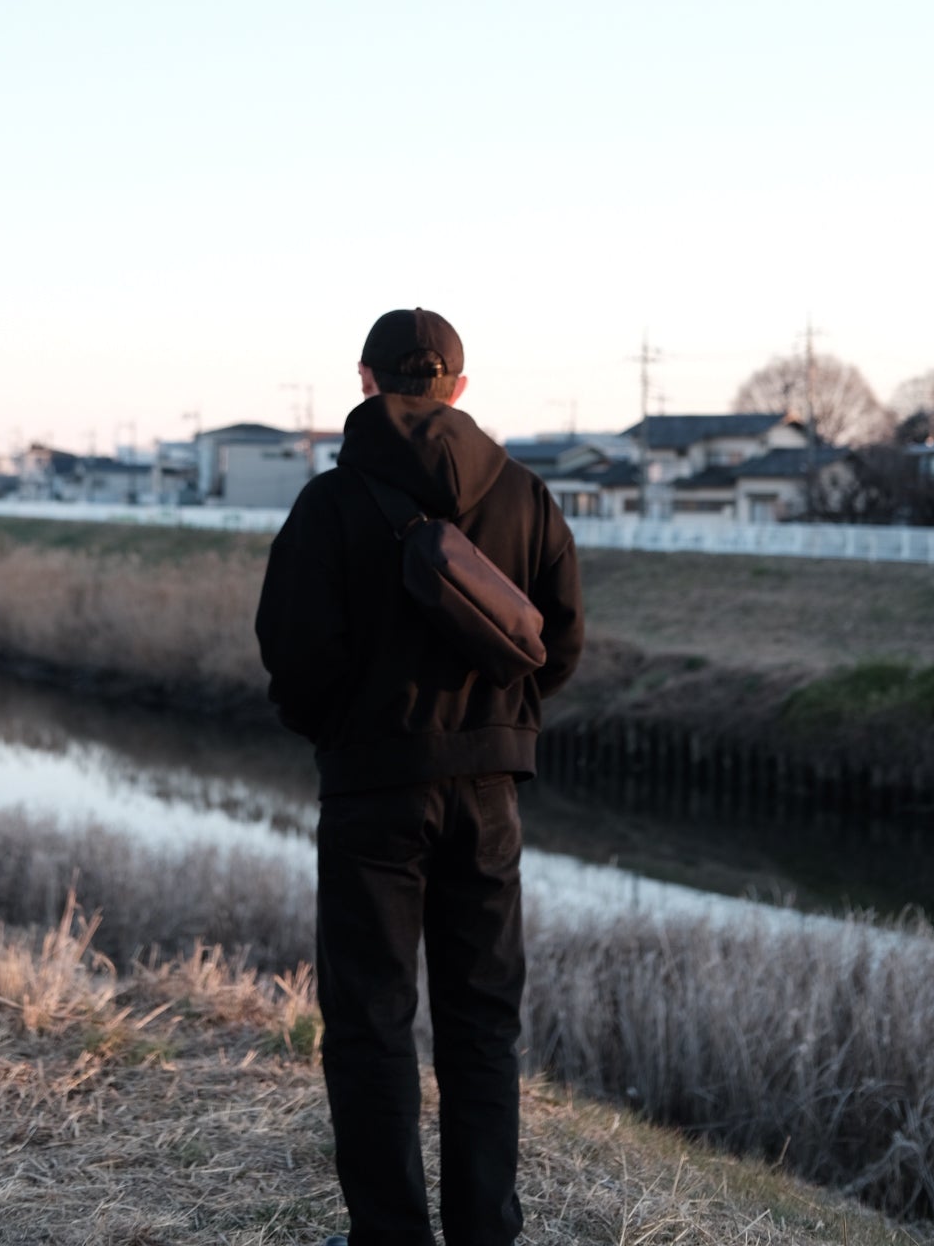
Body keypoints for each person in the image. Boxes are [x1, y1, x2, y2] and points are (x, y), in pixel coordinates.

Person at [256, 307, 584, 1246]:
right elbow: (557, 646)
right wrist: (500, 726)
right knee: (483, 1025)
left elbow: (291, 654)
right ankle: (487, 1234)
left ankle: (390, 1238)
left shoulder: (330, 504)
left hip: (372, 792)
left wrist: (344, 734)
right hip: (488, 790)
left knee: (370, 1025)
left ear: (365, 380)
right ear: (460, 388)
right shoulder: (526, 496)